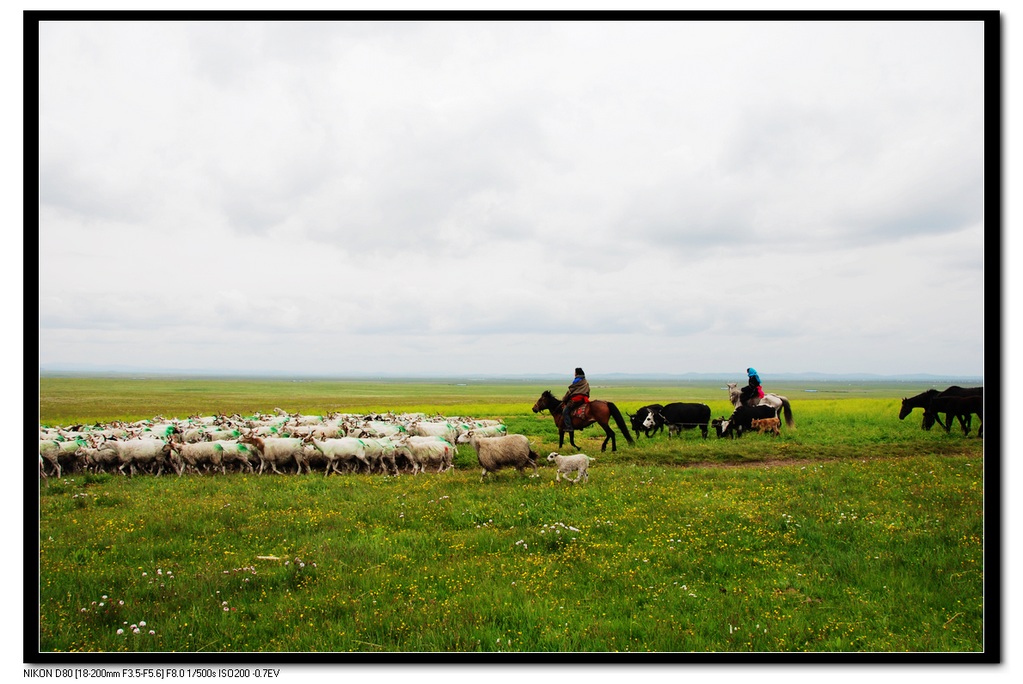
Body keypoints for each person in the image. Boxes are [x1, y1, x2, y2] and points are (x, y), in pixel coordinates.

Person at [561, 367, 591, 433]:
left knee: (565, 412)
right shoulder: (585, 381)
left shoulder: (576, 380)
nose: (574, 374)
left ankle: (569, 427)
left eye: (575, 372)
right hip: (583, 399)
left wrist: (564, 399)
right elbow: (588, 391)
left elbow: (571, 391)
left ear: (577, 373)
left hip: (576, 400)